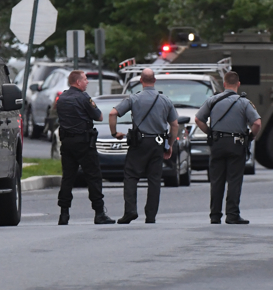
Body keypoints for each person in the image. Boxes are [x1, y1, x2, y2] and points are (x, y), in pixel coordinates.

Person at [109, 68, 178, 224]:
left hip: (139, 143)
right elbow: (174, 125)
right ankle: (151, 215)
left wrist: (115, 133)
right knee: (154, 179)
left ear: (141, 81)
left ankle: (130, 211)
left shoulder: (134, 99)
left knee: (131, 175)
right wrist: (169, 145)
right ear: (154, 81)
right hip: (158, 143)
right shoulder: (165, 100)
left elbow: (113, 113)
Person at [194, 71, 262, 225]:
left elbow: (198, 119)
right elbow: (257, 123)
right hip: (236, 144)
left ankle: (215, 215)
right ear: (238, 84)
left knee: (216, 180)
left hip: (217, 143)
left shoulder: (212, 100)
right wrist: (251, 136)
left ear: (224, 84)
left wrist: (210, 133)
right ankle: (232, 215)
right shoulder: (244, 103)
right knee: (234, 180)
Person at [55, 70, 115, 225]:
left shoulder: (61, 98)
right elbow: (99, 116)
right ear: (78, 82)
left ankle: (64, 214)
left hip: (67, 143)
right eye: (85, 79)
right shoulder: (83, 97)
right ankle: (99, 213)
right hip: (84, 143)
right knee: (94, 177)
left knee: (68, 178)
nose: (87, 82)